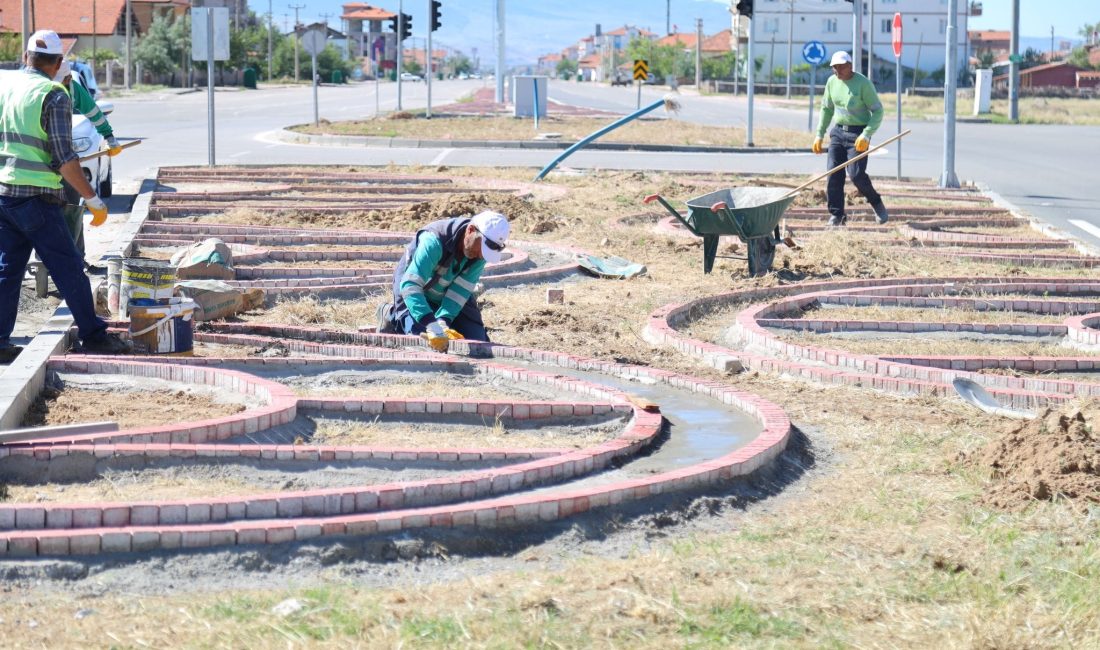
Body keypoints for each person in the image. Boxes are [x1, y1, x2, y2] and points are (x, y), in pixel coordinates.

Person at [0, 30, 130, 364]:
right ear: (58, 63)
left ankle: (0, 341)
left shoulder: (7, 88)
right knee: (69, 268)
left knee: (8, 270)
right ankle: (93, 335)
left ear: (27, 57)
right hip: (36, 198)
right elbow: (65, 158)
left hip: (5, 195)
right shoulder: (54, 94)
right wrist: (93, 199)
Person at [378, 211, 510, 352]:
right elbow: (410, 286)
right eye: (481, 250)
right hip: (413, 289)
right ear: (470, 230)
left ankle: (435, 316)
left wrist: (443, 321)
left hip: (444, 290)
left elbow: (461, 290)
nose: (481, 256)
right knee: (424, 343)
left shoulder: (480, 253)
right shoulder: (434, 241)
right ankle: (390, 314)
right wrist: (430, 324)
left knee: (477, 342)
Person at [56, 60, 122, 272]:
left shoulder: (73, 90)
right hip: (39, 161)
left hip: (62, 156)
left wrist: (109, 137)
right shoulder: (37, 88)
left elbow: (93, 112)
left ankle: (77, 259)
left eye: (65, 81)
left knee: (72, 208)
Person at [812, 51, 889, 227]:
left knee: (856, 174)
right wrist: (819, 134)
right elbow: (826, 109)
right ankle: (837, 215)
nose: (837, 71)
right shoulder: (832, 82)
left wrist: (867, 133)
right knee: (833, 174)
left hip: (858, 134)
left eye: (840, 67)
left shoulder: (863, 84)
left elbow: (878, 111)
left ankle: (876, 203)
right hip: (838, 133)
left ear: (850, 66)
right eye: (834, 68)